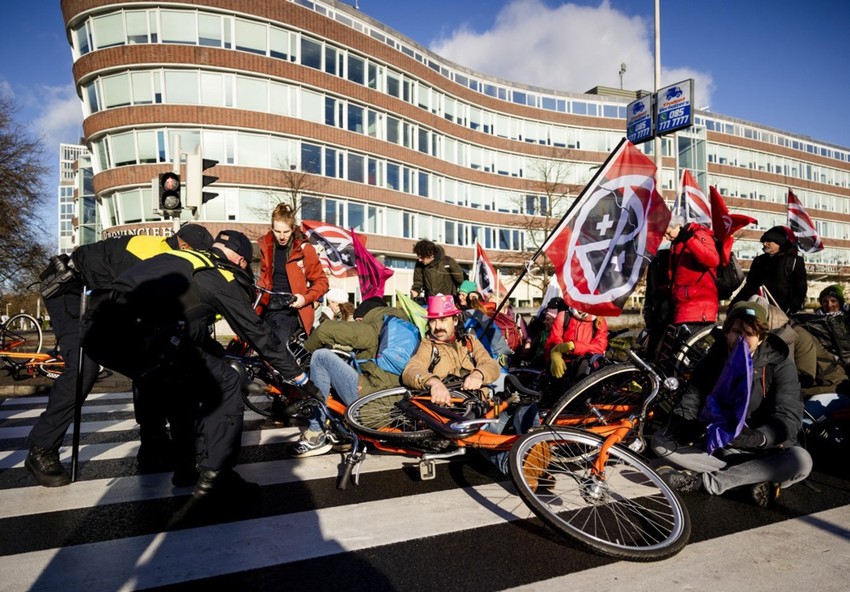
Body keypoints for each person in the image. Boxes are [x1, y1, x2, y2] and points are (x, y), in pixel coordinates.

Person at [83, 230, 316, 499]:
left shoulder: (180, 259)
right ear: (240, 260)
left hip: (98, 333)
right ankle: (218, 476)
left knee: (183, 383)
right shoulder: (219, 275)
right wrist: (298, 377)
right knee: (226, 381)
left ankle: (185, 468)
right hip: (140, 334)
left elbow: (188, 324)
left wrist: (214, 352)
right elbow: (257, 333)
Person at [24, 224, 213, 488]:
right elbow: (123, 303)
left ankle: (154, 446)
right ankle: (41, 449)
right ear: (184, 246)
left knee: (150, 364)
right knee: (83, 366)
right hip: (68, 287)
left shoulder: (166, 258)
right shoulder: (148, 254)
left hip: (98, 293)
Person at [651, 301, 813, 507]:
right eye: (736, 332)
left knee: (801, 461)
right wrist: (683, 425)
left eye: (750, 334)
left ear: (761, 338)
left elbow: (789, 417)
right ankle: (747, 481)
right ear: (727, 332)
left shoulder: (780, 365)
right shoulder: (713, 359)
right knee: (660, 442)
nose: (742, 339)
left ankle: (703, 482)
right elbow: (691, 399)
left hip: (768, 451)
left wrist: (758, 438)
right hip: (721, 448)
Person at [401, 294, 534, 475]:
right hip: (459, 416)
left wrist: (478, 374)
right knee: (481, 438)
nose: (437, 326)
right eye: (433, 321)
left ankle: (534, 446)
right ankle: (521, 469)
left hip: (487, 407)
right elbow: (411, 370)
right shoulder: (428, 346)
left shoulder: (470, 341)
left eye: (443, 320)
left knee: (526, 402)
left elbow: (491, 364)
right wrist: (434, 382)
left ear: (455, 320)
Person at [298, 297, 410, 456]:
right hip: (396, 407)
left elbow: (325, 330)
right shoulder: (404, 328)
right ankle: (344, 434)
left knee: (321, 357)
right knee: (347, 364)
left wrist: (302, 352)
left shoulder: (374, 328)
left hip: (372, 406)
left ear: (361, 318)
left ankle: (316, 433)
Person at [257, 203, 328, 339]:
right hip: (267, 306)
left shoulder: (304, 249)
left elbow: (322, 282)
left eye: (286, 232)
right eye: (277, 231)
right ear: (271, 228)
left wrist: (305, 298)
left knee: (277, 347)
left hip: (291, 310)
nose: (282, 236)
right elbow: (264, 278)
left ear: (293, 229)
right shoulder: (267, 247)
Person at [732, 225, 807, 315]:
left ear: (779, 242)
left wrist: (791, 308)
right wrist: (734, 304)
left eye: (768, 241)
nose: (764, 244)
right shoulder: (759, 261)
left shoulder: (794, 261)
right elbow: (750, 286)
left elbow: (800, 288)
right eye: (763, 241)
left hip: (782, 311)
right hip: (759, 309)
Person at [664, 216, 720, 325]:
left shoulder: (698, 234)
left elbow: (713, 260)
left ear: (678, 226)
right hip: (685, 305)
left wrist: (689, 240)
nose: (667, 237)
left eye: (668, 233)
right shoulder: (677, 243)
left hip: (698, 306)